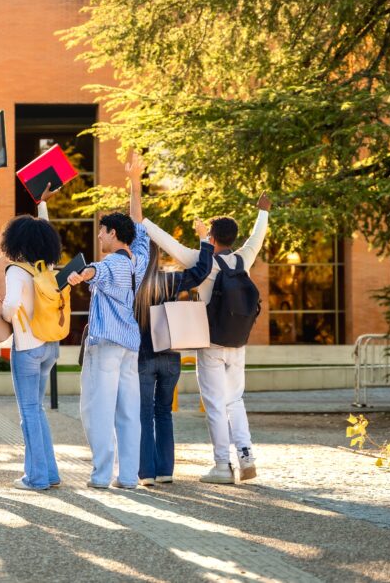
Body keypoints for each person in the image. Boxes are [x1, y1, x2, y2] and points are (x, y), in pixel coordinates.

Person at [143, 192, 270, 484]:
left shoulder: (202, 260)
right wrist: (262, 212)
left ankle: (222, 467)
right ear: (233, 238)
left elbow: (167, 243)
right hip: (238, 342)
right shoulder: (243, 258)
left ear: (211, 238)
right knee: (235, 400)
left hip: (212, 342)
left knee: (214, 403)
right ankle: (246, 454)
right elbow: (257, 237)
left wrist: (143, 221)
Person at [126, 156, 214, 486]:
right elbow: (201, 271)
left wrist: (134, 185)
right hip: (171, 357)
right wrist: (205, 240)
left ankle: (145, 473)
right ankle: (165, 472)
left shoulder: (133, 282)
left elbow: (136, 226)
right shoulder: (170, 280)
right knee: (164, 413)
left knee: (144, 413)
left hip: (143, 358)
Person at [67, 154, 151, 490]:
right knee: (129, 413)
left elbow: (96, 271)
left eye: (102, 232)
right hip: (131, 344)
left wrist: (79, 276)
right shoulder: (139, 258)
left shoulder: (112, 263)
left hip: (106, 348)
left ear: (113, 233)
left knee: (95, 410)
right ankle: (128, 476)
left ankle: (102, 475)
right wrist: (134, 184)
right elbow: (139, 223)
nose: (99, 237)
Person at [0, 184, 62, 490]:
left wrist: (2, 311)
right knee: (37, 410)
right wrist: (42, 208)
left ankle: (36, 477)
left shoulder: (16, 271)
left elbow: (10, 306)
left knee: (28, 413)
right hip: (50, 346)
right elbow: (45, 230)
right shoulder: (45, 266)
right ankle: (50, 473)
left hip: (26, 348)